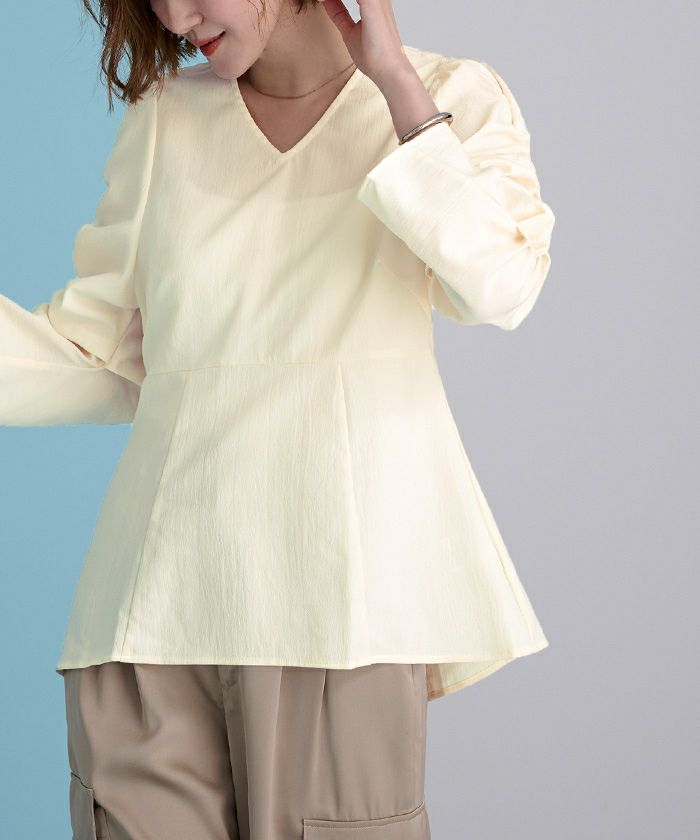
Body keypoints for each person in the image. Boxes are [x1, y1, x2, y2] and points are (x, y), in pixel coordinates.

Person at [0, 0, 556, 837]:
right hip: (149, 618)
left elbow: (501, 286)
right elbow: (99, 352)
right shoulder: (165, 118)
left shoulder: (447, 98)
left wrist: (395, 82)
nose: (174, 16)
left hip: (345, 613)